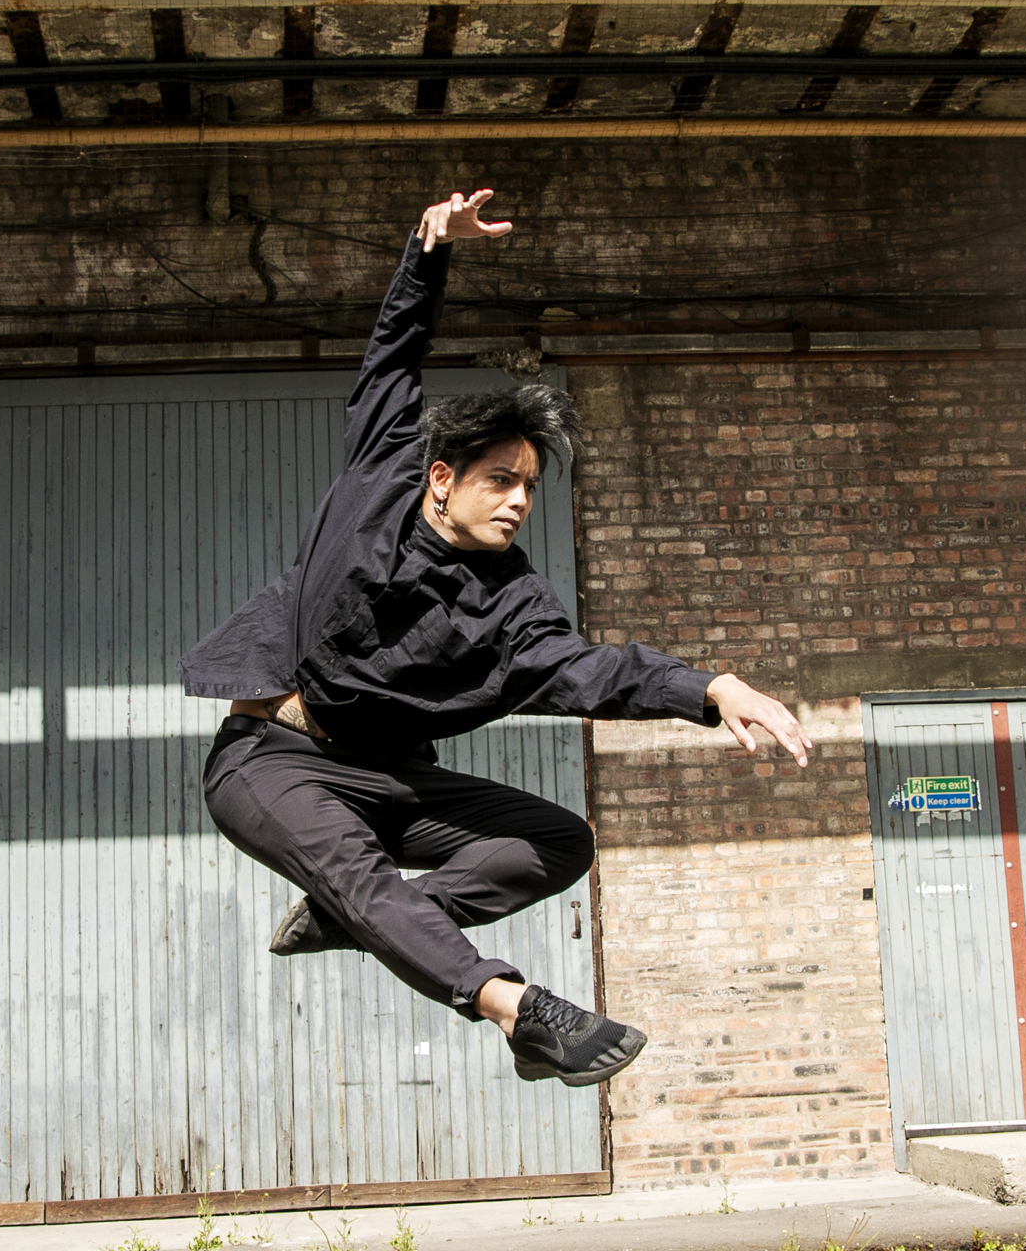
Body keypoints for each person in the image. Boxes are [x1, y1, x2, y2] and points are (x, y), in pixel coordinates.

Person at [182, 187, 810, 1089]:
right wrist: (428, 250)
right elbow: (394, 357)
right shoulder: (381, 476)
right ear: (441, 478)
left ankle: (371, 919)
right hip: (273, 760)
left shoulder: (515, 604)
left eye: (529, 486)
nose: (519, 500)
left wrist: (710, 688)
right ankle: (521, 1011)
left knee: (558, 840)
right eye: (500, 480)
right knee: (361, 876)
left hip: (390, 777)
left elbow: (597, 670)